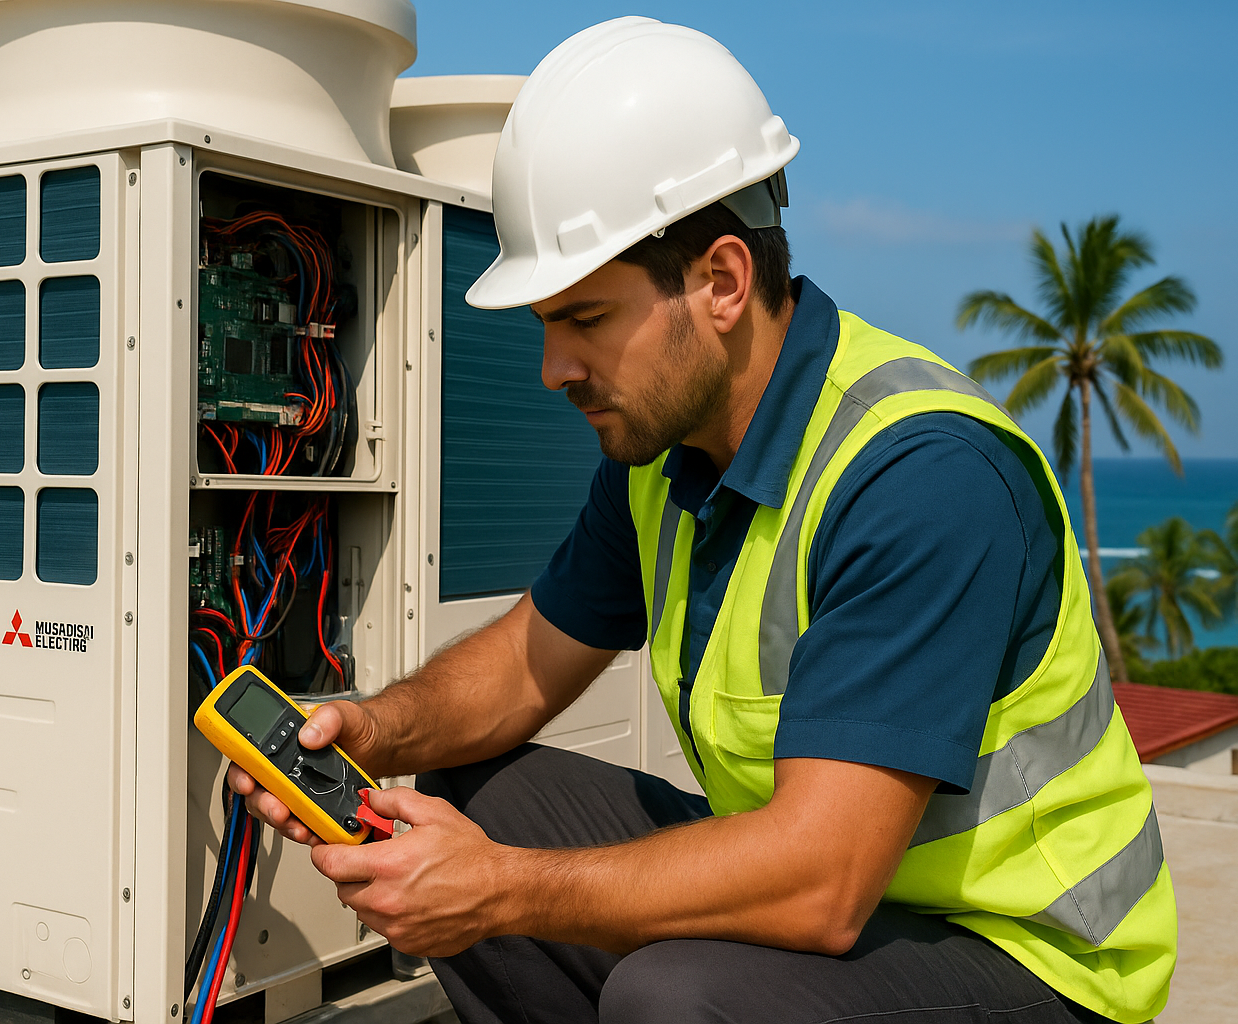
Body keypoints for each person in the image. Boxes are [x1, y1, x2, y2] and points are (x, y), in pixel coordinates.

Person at [228, 17, 1176, 1024]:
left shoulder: (921, 476)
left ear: (722, 281)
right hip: (841, 896)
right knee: (466, 793)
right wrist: (373, 728)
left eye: (586, 319)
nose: (554, 370)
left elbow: (822, 883)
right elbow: (522, 666)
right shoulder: (667, 451)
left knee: (678, 997)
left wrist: (500, 888)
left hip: (1030, 958)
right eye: (547, 326)